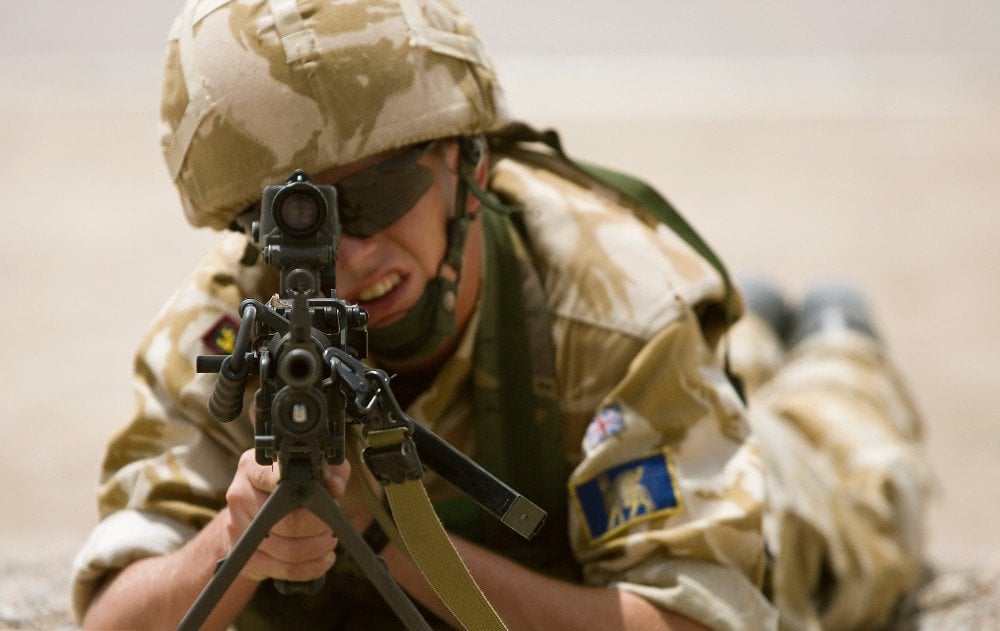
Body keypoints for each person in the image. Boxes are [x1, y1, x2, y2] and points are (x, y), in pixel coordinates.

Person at [71, 1, 930, 629]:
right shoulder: (216, 335)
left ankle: (831, 347)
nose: (348, 258)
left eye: (378, 193)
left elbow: (698, 620)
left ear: (469, 165)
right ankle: (768, 334)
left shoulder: (617, 311)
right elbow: (112, 614)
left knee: (848, 495)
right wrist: (231, 543)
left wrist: (388, 526)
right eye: (293, 221)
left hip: (739, 464)